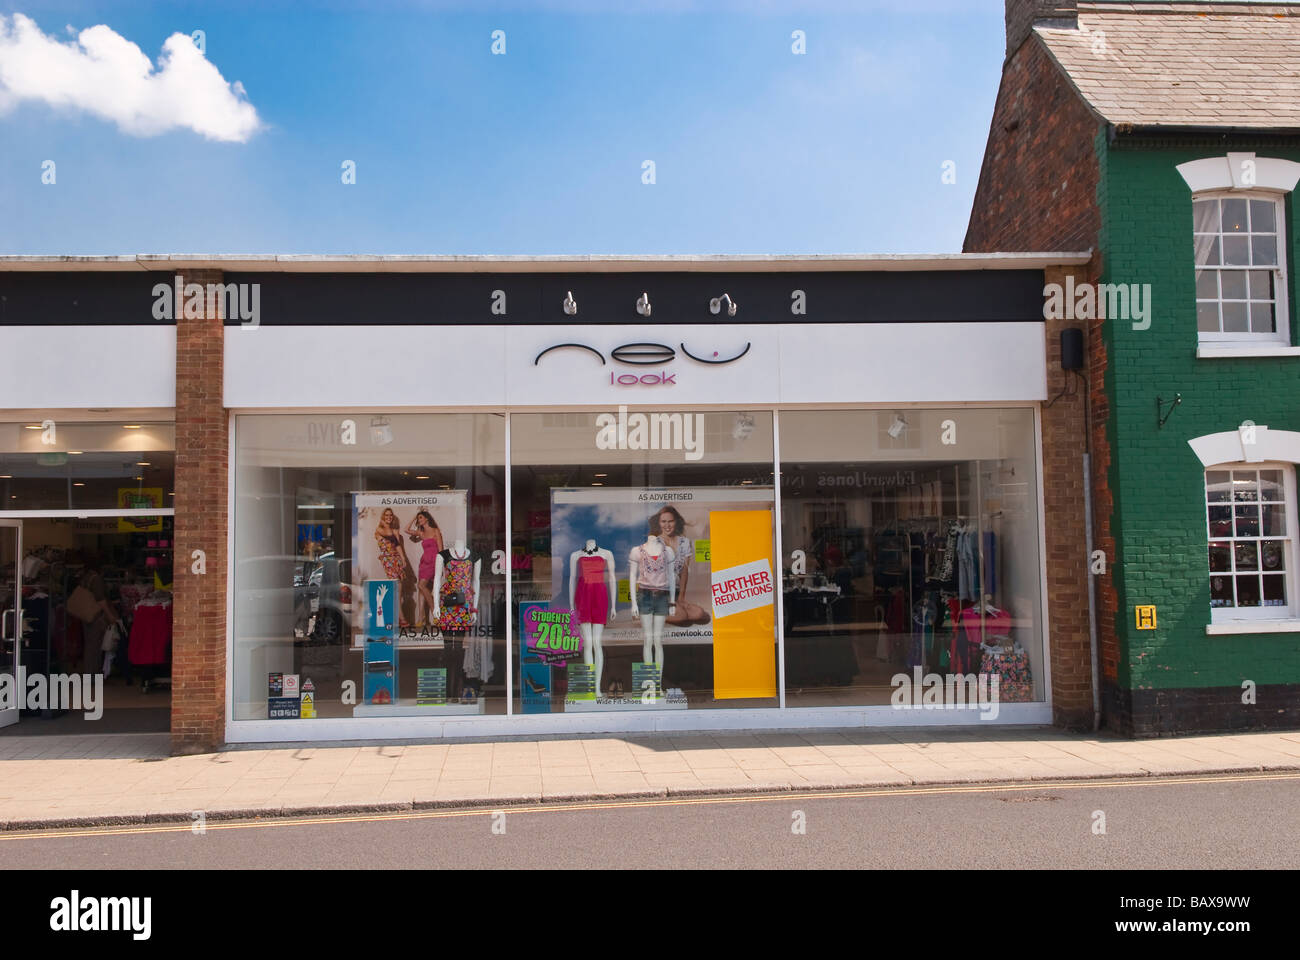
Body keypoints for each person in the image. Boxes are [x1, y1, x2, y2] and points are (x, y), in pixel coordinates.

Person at [654, 505, 710, 627]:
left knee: (699, 614)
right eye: (663, 521)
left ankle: (675, 608)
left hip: (675, 591)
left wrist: (681, 598)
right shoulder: (655, 543)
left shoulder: (684, 542)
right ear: (659, 523)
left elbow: (684, 571)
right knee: (682, 616)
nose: (667, 525)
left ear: (676, 522)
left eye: (670, 521)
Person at [374, 508, 412, 628]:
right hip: (388, 560)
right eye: (386, 515)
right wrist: (392, 529)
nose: (389, 517)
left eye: (390, 515)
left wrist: (403, 559)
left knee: (398, 590)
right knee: (396, 587)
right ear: (383, 516)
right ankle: (401, 618)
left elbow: (397, 546)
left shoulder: (394, 531)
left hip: (396, 560)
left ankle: (397, 618)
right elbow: (389, 534)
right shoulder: (380, 529)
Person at [406, 509, 444, 628]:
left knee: (421, 586)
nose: (419, 520)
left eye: (421, 517)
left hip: (434, 562)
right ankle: (420, 619)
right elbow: (406, 529)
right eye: (418, 519)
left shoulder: (435, 530)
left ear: (427, 518)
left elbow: (441, 549)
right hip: (424, 563)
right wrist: (414, 516)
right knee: (422, 589)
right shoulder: (421, 533)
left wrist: (443, 566)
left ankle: (435, 612)